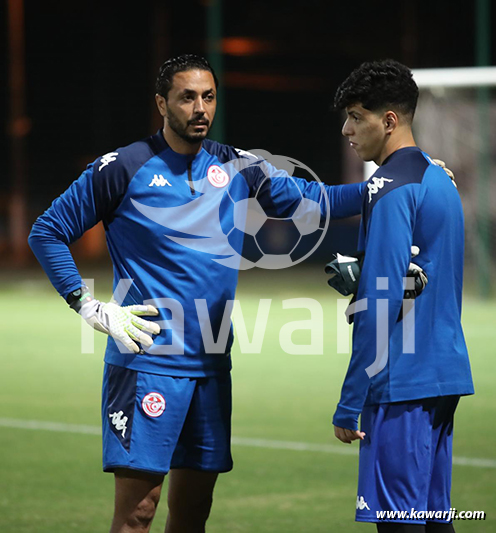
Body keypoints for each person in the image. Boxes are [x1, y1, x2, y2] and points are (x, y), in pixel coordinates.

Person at [28, 54, 365, 533]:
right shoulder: (124, 167)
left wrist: (389, 184)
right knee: (138, 514)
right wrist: (89, 306)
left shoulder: (239, 167)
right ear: (161, 103)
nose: (200, 108)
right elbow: (47, 231)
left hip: (210, 366)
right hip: (147, 366)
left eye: (208, 97)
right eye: (187, 97)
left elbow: (320, 200)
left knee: (192, 514)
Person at [331, 59, 474, 533]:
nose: (347, 129)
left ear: (389, 120)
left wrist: (351, 399)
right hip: (441, 377)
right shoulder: (436, 178)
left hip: (401, 385)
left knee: (399, 524)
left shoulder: (391, 188)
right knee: (434, 521)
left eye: (356, 116)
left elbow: (380, 301)